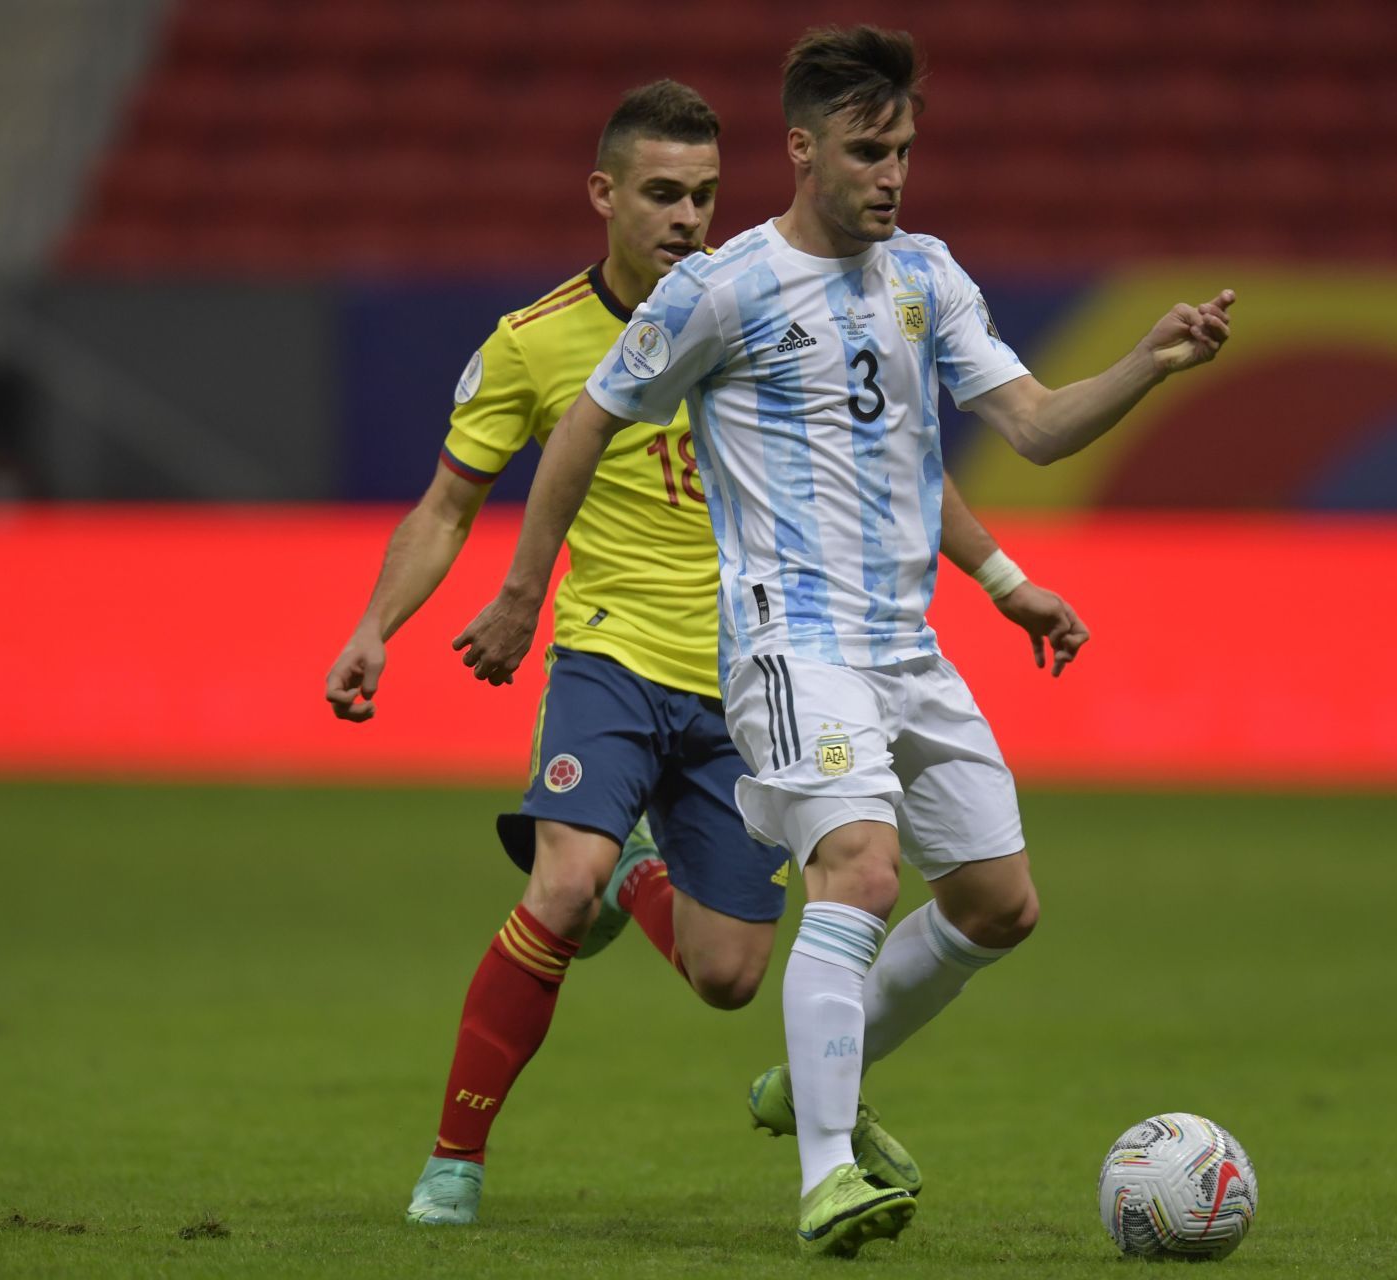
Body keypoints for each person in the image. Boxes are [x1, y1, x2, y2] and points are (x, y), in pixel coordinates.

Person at [452, 26, 1235, 1256]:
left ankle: (817, 1068)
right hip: (788, 643)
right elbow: (584, 424)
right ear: (804, 150)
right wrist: (520, 591)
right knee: (863, 869)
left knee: (998, 902)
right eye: (870, 152)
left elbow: (1029, 426)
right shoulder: (725, 290)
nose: (893, 176)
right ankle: (827, 1171)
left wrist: (1148, 362)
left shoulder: (925, 274)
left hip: (906, 647)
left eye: (906, 151)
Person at [323, 79, 1089, 1229]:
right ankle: (454, 1159)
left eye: (704, 196)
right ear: (605, 194)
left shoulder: (751, 301)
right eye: (665, 195)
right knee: (561, 885)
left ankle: (643, 864)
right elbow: (444, 502)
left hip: (747, 682)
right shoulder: (536, 345)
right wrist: (382, 624)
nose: (688, 218)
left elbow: (882, 479)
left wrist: (1002, 579)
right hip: (611, 658)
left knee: (733, 974)